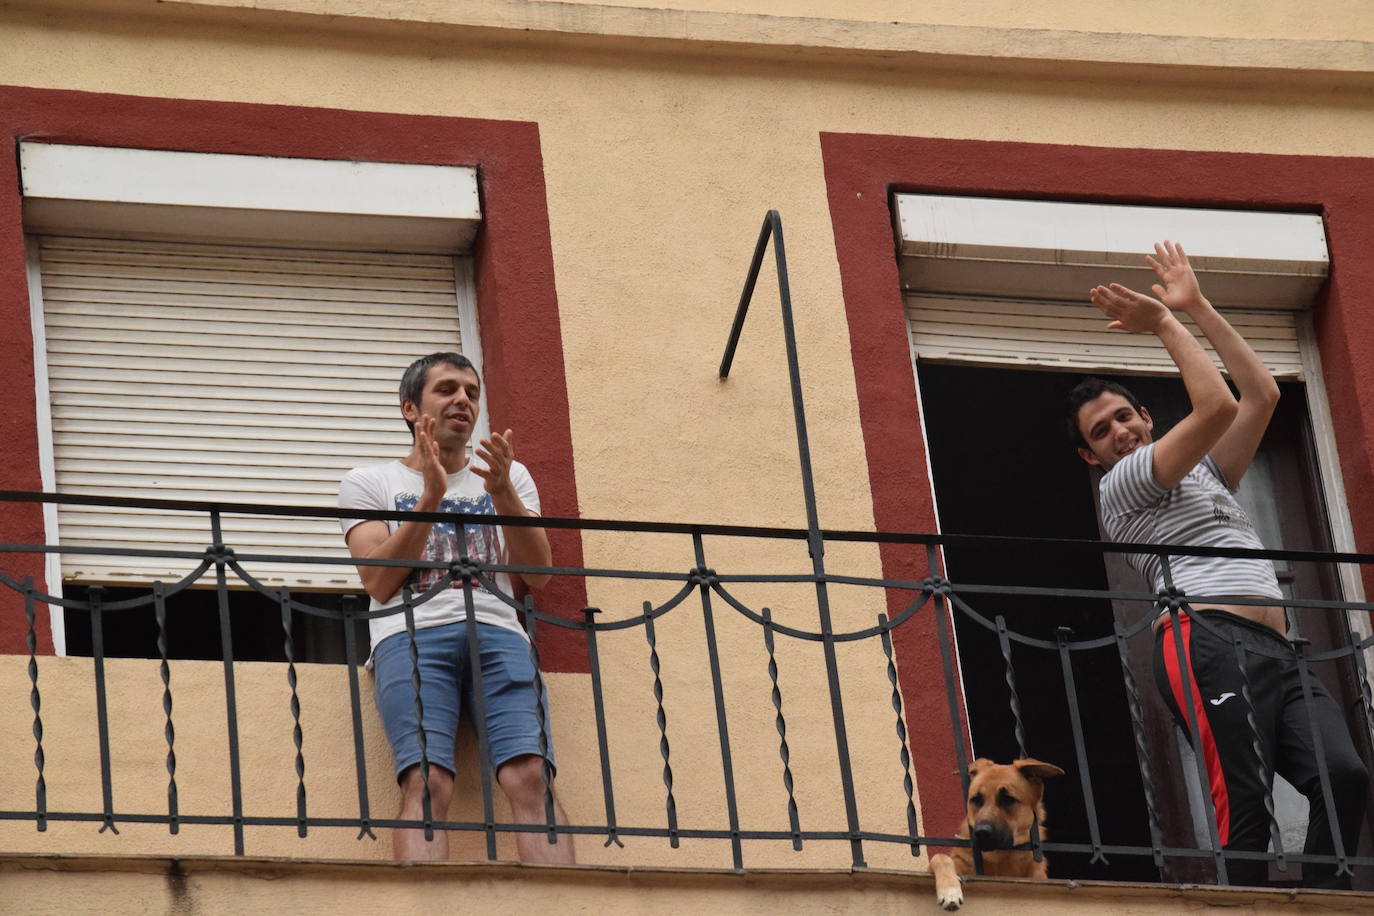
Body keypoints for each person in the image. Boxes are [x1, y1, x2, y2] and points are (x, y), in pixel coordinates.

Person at [1067, 242, 1367, 888]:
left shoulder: (1205, 475)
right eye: (1101, 431)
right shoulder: (1122, 487)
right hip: (1203, 640)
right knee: (1245, 805)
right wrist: (1166, 325)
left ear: (1148, 418)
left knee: (1345, 775)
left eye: (1125, 416)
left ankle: (1315, 902)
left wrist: (1196, 304)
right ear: (1093, 457)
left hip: (1280, 653)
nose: (1118, 430)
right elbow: (1218, 407)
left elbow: (1258, 394)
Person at [338, 351, 574, 863]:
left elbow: (539, 573)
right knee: (427, 781)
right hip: (411, 636)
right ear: (410, 409)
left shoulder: (509, 476)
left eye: (471, 391)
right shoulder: (368, 482)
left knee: (530, 776)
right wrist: (430, 498)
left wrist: (504, 494)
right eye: (446, 389)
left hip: (501, 634)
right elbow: (378, 582)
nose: (463, 399)